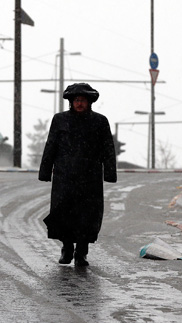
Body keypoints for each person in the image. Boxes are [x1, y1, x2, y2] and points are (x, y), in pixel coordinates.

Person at [39, 83, 117, 267]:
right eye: (76, 100)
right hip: (64, 177)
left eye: (82, 100)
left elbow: (108, 149)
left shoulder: (100, 121)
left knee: (86, 217)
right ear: (71, 102)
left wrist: (110, 172)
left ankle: (81, 253)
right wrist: (45, 171)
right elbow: (51, 145)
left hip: (90, 178)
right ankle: (67, 249)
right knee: (64, 214)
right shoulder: (60, 120)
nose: (79, 103)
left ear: (89, 102)